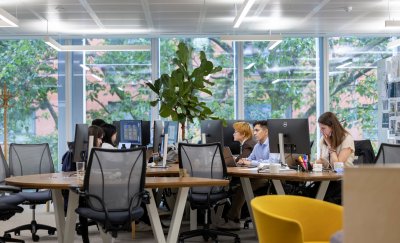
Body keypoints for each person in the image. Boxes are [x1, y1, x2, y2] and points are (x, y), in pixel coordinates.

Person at [218, 120, 278, 230]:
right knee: (240, 186)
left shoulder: (272, 144)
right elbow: (250, 159)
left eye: (257, 130)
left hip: (268, 177)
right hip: (257, 175)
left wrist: (251, 162)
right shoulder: (257, 146)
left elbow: (272, 162)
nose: (254, 133)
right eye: (254, 130)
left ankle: (233, 220)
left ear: (266, 131)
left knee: (242, 188)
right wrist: (244, 160)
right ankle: (233, 219)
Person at [315, 112, 355, 204]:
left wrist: (330, 146)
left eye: (323, 128)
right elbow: (323, 160)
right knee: (309, 193)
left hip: (343, 182)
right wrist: (313, 164)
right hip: (328, 180)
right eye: (320, 128)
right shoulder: (324, 139)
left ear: (332, 127)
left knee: (323, 199)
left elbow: (338, 167)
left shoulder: (347, 139)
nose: (321, 131)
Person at [78, 125, 104, 243]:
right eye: (100, 138)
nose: (101, 141)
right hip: (91, 194)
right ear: (93, 138)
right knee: (82, 200)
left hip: (99, 193)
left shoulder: (99, 154)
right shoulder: (84, 155)